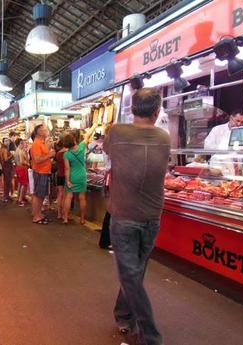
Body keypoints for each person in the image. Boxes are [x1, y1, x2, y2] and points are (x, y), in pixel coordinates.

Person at [104, 88, 170, 345]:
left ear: (132, 109)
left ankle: (149, 334)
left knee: (131, 274)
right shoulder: (164, 137)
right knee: (135, 272)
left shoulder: (117, 133)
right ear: (157, 111)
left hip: (124, 214)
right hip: (153, 215)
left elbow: (108, 151)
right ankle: (123, 315)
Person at [63, 123, 99, 225]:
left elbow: (67, 168)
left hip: (72, 176)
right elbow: (88, 135)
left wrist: (68, 180)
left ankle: (65, 218)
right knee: (82, 197)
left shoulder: (67, 154)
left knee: (69, 197)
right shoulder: (82, 147)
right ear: (74, 141)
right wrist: (95, 125)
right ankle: (82, 219)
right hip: (82, 175)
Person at [31, 124, 55, 225]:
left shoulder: (41, 143)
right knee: (38, 195)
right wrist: (50, 154)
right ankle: (36, 216)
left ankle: (39, 214)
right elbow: (37, 159)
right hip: (40, 172)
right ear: (39, 132)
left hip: (44, 172)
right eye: (45, 129)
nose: (47, 131)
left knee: (41, 195)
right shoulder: (36, 143)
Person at [14, 139, 30, 206]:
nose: (25, 145)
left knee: (20, 183)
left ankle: (18, 198)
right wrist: (28, 164)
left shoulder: (17, 150)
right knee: (24, 184)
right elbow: (22, 161)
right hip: (22, 168)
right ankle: (20, 200)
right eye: (24, 144)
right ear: (21, 144)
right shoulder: (20, 151)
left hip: (18, 168)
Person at [54, 140, 67, 220]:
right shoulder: (67, 153)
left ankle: (59, 213)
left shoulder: (58, 153)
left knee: (60, 194)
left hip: (59, 174)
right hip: (66, 175)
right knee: (65, 195)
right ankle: (64, 214)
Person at [1, 138, 14, 202]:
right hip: (6, 166)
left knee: (7, 181)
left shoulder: (3, 149)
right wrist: (11, 155)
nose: (7, 142)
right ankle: (5, 196)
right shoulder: (5, 149)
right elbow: (5, 159)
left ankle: (7, 195)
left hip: (5, 166)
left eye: (8, 141)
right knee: (7, 181)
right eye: (6, 141)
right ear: (3, 142)